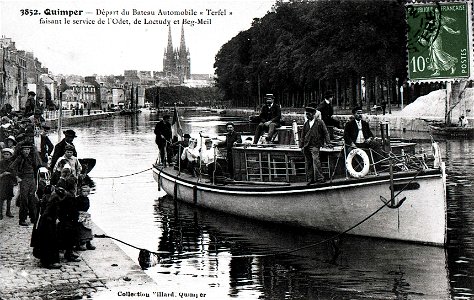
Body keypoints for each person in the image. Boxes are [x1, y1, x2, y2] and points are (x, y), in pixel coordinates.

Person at [9, 142, 42, 226]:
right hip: (24, 180)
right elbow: (12, 168)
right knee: (24, 200)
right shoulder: (20, 158)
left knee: (32, 199)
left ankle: (33, 218)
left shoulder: (32, 158)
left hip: (32, 180)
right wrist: (17, 177)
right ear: (21, 150)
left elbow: (38, 166)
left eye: (28, 149)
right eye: (25, 149)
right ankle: (22, 219)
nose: (26, 151)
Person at [299, 105, 331, 185]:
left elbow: (325, 132)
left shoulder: (320, 122)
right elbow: (303, 135)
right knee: (308, 162)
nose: (307, 115)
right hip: (306, 146)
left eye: (308, 114)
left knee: (316, 161)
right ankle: (311, 179)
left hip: (315, 145)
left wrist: (328, 142)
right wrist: (301, 145)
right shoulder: (306, 124)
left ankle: (320, 178)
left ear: (313, 114)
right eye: (306, 114)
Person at [75, 184, 95, 251]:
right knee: (81, 227)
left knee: (89, 226)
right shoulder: (78, 199)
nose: (85, 193)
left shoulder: (87, 199)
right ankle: (81, 243)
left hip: (85, 214)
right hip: (79, 214)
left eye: (87, 192)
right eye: (84, 191)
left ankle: (88, 243)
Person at [0, 148, 16, 219]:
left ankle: (8, 211)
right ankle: (0, 213)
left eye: (8, 154)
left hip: (10, 182)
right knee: (1, 198)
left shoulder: (12, 163)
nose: (6, 156)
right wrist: (3, 173)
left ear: (10, 155)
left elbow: (14, 172)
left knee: (9, 197)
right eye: (5, 154)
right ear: (3, 155)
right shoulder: (0, 163)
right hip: (2, 182)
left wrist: (9, 173)